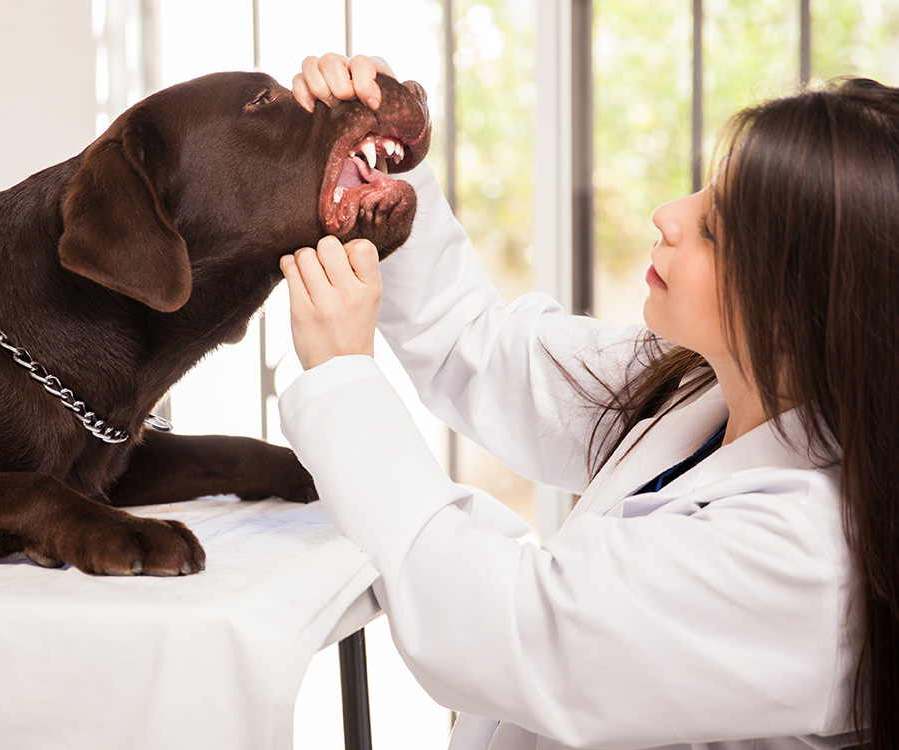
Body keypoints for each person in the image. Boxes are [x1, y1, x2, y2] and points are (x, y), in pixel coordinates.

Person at [278, 53, 899, 749]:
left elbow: (495, 630)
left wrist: (341, 375)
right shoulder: (705, 388)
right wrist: (381, 165)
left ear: (803, 312)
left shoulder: (805, 564)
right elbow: (478, 348)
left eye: (717, 229)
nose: (668, 215)